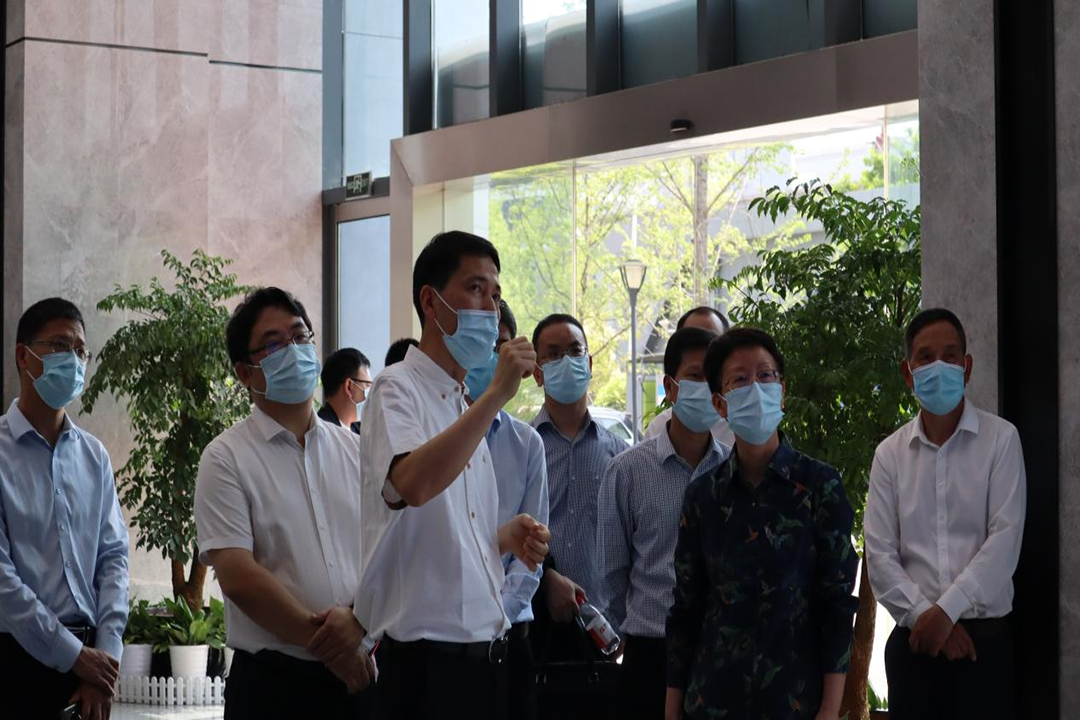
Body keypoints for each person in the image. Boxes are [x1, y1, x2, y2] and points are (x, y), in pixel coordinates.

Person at [357, 231, 550, 720]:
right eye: (475, 289)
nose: (490, 310)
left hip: (486, 660)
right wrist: (496, 396)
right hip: (426, 667)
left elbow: (444, 539)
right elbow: (413, 484)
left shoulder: (463, 406)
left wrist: (502, 538)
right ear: (431, 301)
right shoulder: (396, 387)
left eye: (496, 295)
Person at [194, 287, 375, 719]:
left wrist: (360, 620)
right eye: (274, 344)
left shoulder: (355, 451)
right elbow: (239, 577)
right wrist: (333, 649)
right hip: (273, 687)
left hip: (360, 676)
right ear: (245, 372)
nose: (294, 350)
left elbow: (387, 550)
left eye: (300, 336)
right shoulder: (225, 458)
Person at [666, 327, 858, 720]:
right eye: (739, 379)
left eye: (765, 375)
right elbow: (686, 608)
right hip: (713, 701)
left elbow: (837, 606)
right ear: (720, 404)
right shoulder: (703, 496)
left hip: (796, 702)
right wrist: (672, 710)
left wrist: (830, 709)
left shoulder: (820, 486)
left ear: (781, 392)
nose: (755, 387)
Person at [864, 308, 1026, 720]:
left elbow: (1004, 541)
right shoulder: (889, 455)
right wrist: (928, 617)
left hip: (983, 649)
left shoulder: (1001, 440)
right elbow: (880, 556)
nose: (939, 365)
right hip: (913, 647)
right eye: (925, 357)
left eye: (950, 355)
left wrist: (947, 611)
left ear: (966, 368)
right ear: (908, 372)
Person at [0, 297, 129, 720]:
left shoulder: (94, 456)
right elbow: (2, 582)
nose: (73, 360)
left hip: (91, 667)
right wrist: (74, 655)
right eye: (59, 345)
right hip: (16, 660)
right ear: (24, 356)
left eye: (80, 350)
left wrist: (104, 658)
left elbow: (114, 558)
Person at [596, 327, 729, 720]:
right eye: (694, 376)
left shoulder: (732, 470)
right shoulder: (626, 472)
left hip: (720, 650)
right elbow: (612, 572)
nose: (705, 388)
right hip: (651, 652)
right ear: (670, 387)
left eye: (713, 379)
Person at [464, 299, 550, 720]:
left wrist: (497, 613)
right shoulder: (438, 437)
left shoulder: (527, 444)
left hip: (510, 632)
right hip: (448, 633)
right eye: (482, 346)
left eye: (500, 346)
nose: (495, 359)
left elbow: (531, 552)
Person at [529, 313, 625, 661]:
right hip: (536, 630)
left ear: (589, 363)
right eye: (553, 354)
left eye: (574, 351)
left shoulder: (620, 454)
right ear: (537, 373)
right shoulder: (523, 449)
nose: (566, 361)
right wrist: (545, 581)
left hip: (606, 634)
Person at [644, 307, 734, 447]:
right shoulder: (659, 429)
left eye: (712, 340)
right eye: (691, 336)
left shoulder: (742, 429)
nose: (703, 345)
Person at [318, 347, 372, 434]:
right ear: (349, 387)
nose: (371, 393)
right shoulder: (322, 431)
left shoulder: (359, 430)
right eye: (367, 385)